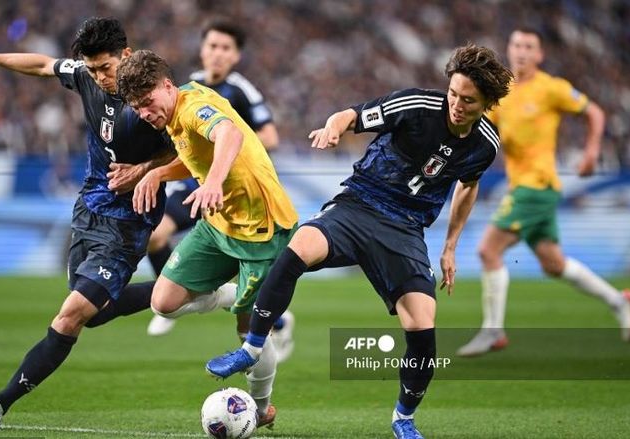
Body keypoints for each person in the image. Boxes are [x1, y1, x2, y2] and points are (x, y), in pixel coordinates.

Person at [205, 43, 513, 439]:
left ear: (487, 102)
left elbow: (467, 187)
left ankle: (403, 418)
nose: (456, 104)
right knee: (298, 248)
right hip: (359, 203)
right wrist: (334, 126)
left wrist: (450, 245)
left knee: (423, 324)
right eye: (453, 93)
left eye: (468, 100)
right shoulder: (417, 105)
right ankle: (251, 349)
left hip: (404, 230)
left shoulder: (486, 145)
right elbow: (351, 115)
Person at [0, 18, 178, 431]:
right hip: (88, 211)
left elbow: (183, 150)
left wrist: (146, 170)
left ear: (126, 57)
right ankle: (188, 288)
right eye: (92, 69)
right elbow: (44, 65)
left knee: (70, 316)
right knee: (94, 314)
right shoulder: (86, 78)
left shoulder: (151, 99)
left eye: (105, 68)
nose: (99, 77)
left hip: (128, 224)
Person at [116, 49, 299, 427]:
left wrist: (213, 182)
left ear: (167, 86)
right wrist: (155, 174)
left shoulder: (192, 105)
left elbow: (228, 133)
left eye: (148, 102)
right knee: (163, 302)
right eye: (137, 107)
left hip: (261, 229)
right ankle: (227, 296)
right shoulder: (171, 114)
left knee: (250, 332)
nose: (146, 113)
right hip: (219, 224)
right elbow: (196, 156)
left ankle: (262, 409)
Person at [457, 28, 630, 357]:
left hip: (536, 186)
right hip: (524, 187)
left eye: (529, 46)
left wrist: (591, 152)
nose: (522, 52)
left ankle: (492, 331)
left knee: (488, 250)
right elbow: (481, 128)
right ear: (509, 50)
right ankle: (618, 300)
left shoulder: (551, 89)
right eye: (517, 45)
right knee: (554, 264)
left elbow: (594, 112)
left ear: (539, 55)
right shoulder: (503, 93)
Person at [145, 20, 295, 359]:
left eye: (225, 48)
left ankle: (275, 319)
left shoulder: (242, 89)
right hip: (196, 181)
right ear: (202, 49)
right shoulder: (189, 87)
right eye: (212, 46)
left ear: (237, 56)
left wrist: (231, 150)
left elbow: (268, 136)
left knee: (248, 320)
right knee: (155, 236)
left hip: (232, 187)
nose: (217, 54)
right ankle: (176, 296)